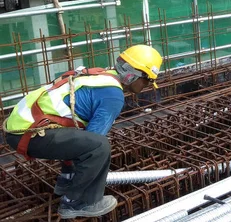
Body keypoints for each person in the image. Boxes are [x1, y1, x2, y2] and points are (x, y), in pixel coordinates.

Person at [3, 45, 162, 219]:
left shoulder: (99, 75)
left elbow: (78, 138)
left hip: (23, 129)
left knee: (82, 141)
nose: (147, 85)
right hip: (30, 133)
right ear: (134, 75)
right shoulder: (113, 95)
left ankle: (66, 182)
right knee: (98, 147)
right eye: (147, 80)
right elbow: (93, 140)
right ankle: (78, 202)